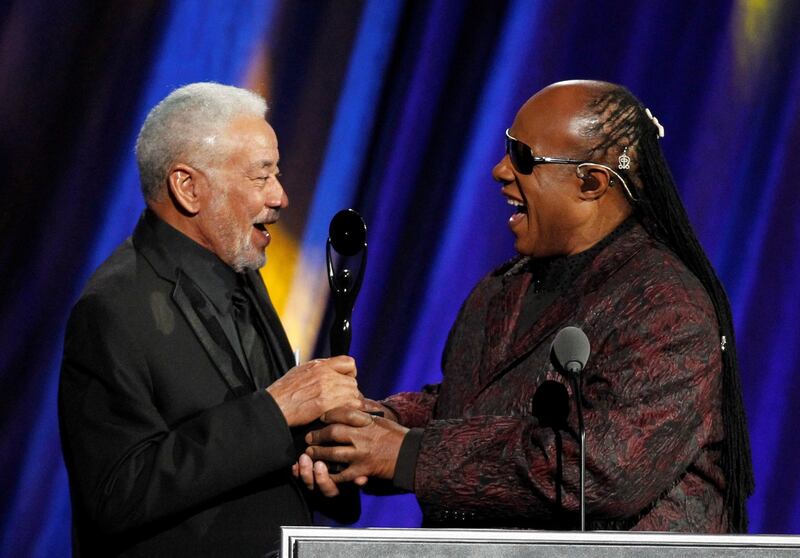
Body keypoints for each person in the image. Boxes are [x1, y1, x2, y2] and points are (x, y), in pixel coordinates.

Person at [303, 80, 754, 533]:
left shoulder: (666, 307)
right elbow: (467, 406)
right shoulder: (502, 288)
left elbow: (599, 468)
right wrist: (369, 428)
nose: (500, 170)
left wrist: (408, 454)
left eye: (522, 157)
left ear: (591, 182)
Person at [59, 82, 362, 558]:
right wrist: (276, 411)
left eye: (276, 175)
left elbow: (258, 450)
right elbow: (115, 492)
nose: (281, 196)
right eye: (261, 178)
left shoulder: (241, 270)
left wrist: (320, 468)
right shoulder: (112, 309)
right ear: (188, 187)